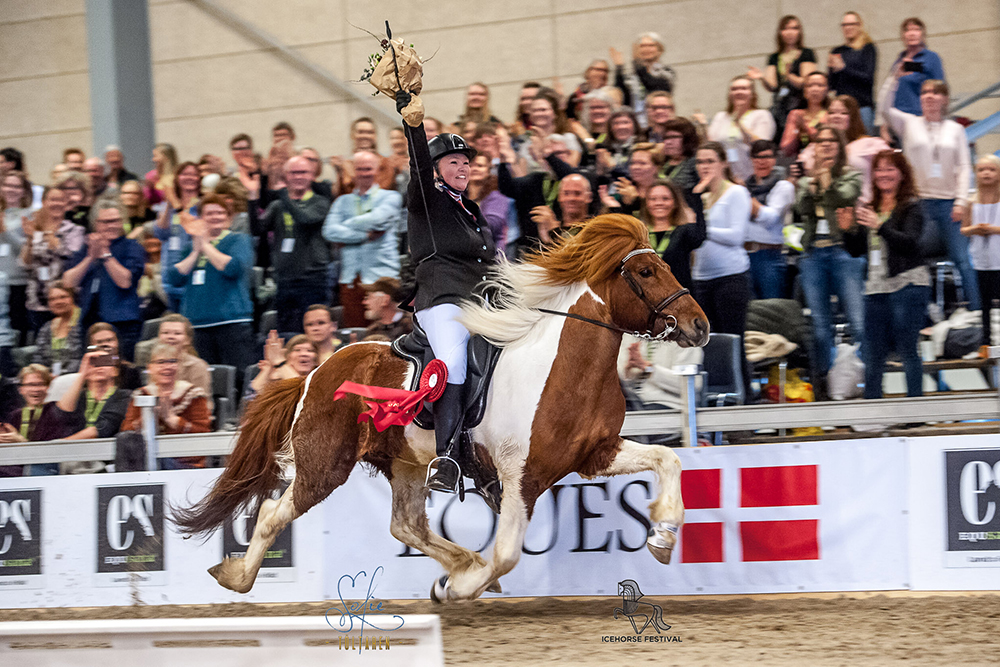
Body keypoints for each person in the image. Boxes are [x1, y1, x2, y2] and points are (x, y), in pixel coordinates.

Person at [396, 88, 497, 494]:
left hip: (480, 301)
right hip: (441, 300)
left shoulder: (471, 211)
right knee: (452, 361)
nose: (463, 167)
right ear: (437, 169)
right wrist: (412, 121)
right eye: (453, 161)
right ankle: (446, 457)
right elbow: (417, 165)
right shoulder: (428, 200)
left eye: (466, 161)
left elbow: (491, 261)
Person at [879, 76, 976, 309]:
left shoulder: (956, 129)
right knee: (912, 258)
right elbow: (883, 108)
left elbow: (964, 166)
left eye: (935, 92)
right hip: (917, 204)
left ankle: (978, 312)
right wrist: (894, 79)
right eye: (924, 92)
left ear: (944, 98)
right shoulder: (909, 123)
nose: (929, 96)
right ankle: (923, 311)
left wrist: (961, 201)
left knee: (963, 260)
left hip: (949, 204)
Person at [842, 151, 929, 399]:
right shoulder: (870, 207)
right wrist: (849, 230)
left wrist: (880, 226)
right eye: (879, 169)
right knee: (872, 351)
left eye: (890, 169)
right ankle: (873, 410)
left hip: (908, 284)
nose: (884, 174)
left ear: (902, 174)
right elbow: (857, 250)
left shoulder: (912, 206)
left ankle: (915, 410)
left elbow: (910, 243)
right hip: (876, 288)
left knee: (907, 349)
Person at [793, 125, 863, 394]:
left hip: (842, 251)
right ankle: (826, 385)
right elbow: (802, 207)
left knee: (858, 321)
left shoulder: (851, 176)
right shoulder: (804, 181)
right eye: (821, 142)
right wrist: (814, 181)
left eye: (831, 141)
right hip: (813, 254)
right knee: (821, 326)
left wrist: (824, 181)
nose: (826, 146)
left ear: (840, 146)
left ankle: (864, 378)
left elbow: (842, 197)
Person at [167, 193, 256, 375]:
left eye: (220, 213)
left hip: (232, 320)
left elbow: (232, 269)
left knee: (238, 376)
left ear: (229, 217)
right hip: (198, 324)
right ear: (201, 218)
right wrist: (195, 252)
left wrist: (206, 246)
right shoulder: (191, 247)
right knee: (205, 377)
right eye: (209, 213)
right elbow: (174, 278)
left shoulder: (238, 240)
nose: (215, 217)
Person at [691, 142, 753, 394]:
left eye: (709, 161)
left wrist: (703, 229)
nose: (704, 167)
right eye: (700, 162)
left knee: (733, 341)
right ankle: (718, 396)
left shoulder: (736, 193)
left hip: (730, 278)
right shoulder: (699, 197)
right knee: (708, 345)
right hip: (701, 278)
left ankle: (745, 398)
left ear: (723, 163)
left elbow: (736, 236)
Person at [251, 156, 333, 333]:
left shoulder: (320, 202)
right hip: (285, 280)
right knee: (288, 335)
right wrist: (252, 197)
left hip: (313, 280)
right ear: (285, 176)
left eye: (303, 172)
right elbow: (257, 229)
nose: (298, 176)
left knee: (314, 333)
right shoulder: (277, 206)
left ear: (312, 175)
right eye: (293, 172)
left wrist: (283, 195)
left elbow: (305, 219)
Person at [322, 151, 401, 328]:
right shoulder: (342, 202)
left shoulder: (390, 197)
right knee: (356, 336)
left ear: (378, 171)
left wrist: (347, 224)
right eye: (359, 169)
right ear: (353, 171)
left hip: (382, 279)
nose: (364, 173)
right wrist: (364, 236)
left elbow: (378, 219)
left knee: (386, 332)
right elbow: (329, 231)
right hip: (351, 281)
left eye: (368, 169)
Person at [62, 199, 146, 360]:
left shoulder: (132, 246)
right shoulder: (87, 247)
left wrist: (106, 254)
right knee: (95, 366)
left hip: (122, 323)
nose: (111, 225)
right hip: (90, 324)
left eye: (115, 220)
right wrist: (90, 257)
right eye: (105, 222)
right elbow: (68, 282)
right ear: (96, 224)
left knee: (118, 368)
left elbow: (125, 281)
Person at [120, 342, 211, 469]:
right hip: (145, 462)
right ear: (149, 367)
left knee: (161, 462)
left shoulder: (194, 394)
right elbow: (126, 433)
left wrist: (173, 420)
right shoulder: (140, 395)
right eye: (161, 362)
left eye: (172, 361)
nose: (167, 367)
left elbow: (204, 433)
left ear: (179, 366)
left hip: (187, 462)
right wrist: (149, 417)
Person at [43, 347, 131, 474]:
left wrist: (59, 445)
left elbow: (101, 429)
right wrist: (82, 374)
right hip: (72, 457)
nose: (99, 367)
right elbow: (61, 415)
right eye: (94, 363)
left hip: (105, 460)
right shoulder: (78, 396)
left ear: (115, 371)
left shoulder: (124, 396)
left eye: (105, 362)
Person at [800, 95, 889, 204]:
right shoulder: (815, 147)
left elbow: (894, 165)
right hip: (825, 207)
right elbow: (804, 174)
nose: (836, 116)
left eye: (843, 113)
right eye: (832, 113)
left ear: (854, 117)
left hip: (863, 208)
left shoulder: (872, 144)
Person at [20, 187, 82, 335]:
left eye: (61, 200)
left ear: (66, 204)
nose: (57, 203)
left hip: (65, 302)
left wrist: (46, 232)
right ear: (44, 202)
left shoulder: (74, 230)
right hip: (37, 302)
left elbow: (70, 256)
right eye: (52, 199)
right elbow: (25, 263)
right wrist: (30, 238)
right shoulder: (36, 230)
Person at [748, 15, 817, 136]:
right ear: (780, 33)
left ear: (799, 32)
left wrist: (789, 75)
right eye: (786, 29)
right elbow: (772, 86)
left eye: (794, 28)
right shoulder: (774, 57)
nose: (790, 32)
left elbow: (806, 82)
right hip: (780, 107)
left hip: (801, 105)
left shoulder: (806, 53)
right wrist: (762, 77)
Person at [745, 141, 795, 299]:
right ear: (751, 159)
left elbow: (770, 218)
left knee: (771, 312)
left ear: (774, 159)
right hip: (743, 255)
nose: (762, 161)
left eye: (767, 157)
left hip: (769, 255)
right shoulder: (746, 185)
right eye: (757, 157)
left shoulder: (783, 186)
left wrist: (745, 198)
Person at [704, 76, 776, 182]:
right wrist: (703, 125)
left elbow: (760, 146)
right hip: (726, 178)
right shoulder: (721, 116)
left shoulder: (761, 115)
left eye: (743, 88)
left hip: (753, 177)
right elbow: (712, 145)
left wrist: (739, 123)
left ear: (752, 94)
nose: (738, 92)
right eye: (734, 89)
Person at [962, 156, 1000, 348]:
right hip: (981, 259)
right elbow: (964, 228)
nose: (986, 173)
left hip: (998, 257)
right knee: (985, 302)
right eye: (982, 169)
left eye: (991, 169)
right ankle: (986, 340)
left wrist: (993, 229)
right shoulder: (971, 202)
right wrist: (975, 229)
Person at [640, 179, 706, 290]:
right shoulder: (640, 234)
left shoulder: (684, 231)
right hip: (648, 299)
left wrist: (697, 198)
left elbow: (699, 237)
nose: (659, 203)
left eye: (665, 199)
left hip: (679, 299)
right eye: (653, 199)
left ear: (675, 203)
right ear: (647, 203)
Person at [153, 160, 201, 312]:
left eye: (194, 174)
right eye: (185, 174)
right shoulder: (168, 207)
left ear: (199, 179)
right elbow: (161, 233)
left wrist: (178, 206)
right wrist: (169, 202)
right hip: (170, 279)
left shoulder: (202, 206)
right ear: (177, 178)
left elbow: (194, 230)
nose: (190, 177)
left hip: (193, 277)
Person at [135, 314, 212, 402]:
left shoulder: (198, 366)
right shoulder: (154, 363)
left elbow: (203, 404)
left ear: (187, 340)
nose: (170, 337)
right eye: (165, 333)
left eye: (177, 333)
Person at [0, 365, 56, 476]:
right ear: (21, 389)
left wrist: (21, 442)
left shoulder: (55, 412)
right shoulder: (14, 415)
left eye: (41, 384)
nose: (35, 389)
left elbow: (50, 453)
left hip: (42, 470)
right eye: (30, 385)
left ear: (49, 387)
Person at [828, 11, 878, 134]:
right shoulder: (837, 51)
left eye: (852, 24)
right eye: (844, 25)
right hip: (841, 109)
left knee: (865, 143)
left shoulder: (868, 48)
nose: (848, 28)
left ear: (859, 25)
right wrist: (832, 69)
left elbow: (868, 78)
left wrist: (843, 68)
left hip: (862, 107)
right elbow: (832, 85)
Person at [888, 17, 945, 117]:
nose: (912, 33)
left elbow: (940, 87)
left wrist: (912, 66)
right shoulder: (900, 58)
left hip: (919, 115)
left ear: (923, 34)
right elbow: (891, 88)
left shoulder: (931, 57)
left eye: (916, 29)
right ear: (902, 35)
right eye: (907, 30)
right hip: (897, 116)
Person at [610, 33, 676, 117]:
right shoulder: (633, 75)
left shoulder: (666, 71)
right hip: (635, 123)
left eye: (651, 45)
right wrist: (619, 69)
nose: (646, 49)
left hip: (657, 119)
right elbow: (621, 98)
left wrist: (637, 63)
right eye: (642, 46)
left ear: (660, 50)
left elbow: (654, 88)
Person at [518, 89, 582, 171]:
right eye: (535, 111)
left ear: (554, 114)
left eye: (543, 110)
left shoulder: (568, 138)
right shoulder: (526, 144)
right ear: (530, 116)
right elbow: (522, 174)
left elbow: (572, 166)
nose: (539, 114)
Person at [0, 170, 30, 341]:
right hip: (0, 283)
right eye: (7, 185)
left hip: (19, 284)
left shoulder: (30, 215)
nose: (11, 189)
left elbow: (25, 251)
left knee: (19, 333)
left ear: (24, 191)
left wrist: (4, 231)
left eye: (16, 186)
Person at [32, 283, 83, 376]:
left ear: (73, 298)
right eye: (52, 299)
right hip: (49, 379)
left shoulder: (84, 323)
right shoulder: (47, 327)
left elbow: (82, 359)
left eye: (63, 297)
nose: (57, 302)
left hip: (75, 378)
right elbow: (38, 358)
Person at [467, 154, 512, 251]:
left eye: (480, 166)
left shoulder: (497, 198)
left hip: (491, 259)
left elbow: (491, 226)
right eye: (470, 166)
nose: (474, 169)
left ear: (488, 171)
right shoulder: (457, 196)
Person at [779, 71, 830, 157]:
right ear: (804, 91)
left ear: (827, 89)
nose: (815, 89)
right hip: (802, 160)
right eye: (810, 86)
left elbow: (825, 143)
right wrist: (797, 131)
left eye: (820, 85)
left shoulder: (831, 114)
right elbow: (785, 148)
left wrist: (805, 127)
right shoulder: (796, 114)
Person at [533, 173, 594, 244]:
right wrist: (545, 239)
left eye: (577, 193)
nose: (571, 198)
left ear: (589, 197)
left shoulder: (594, 229)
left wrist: (553, 231)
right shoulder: (550, 226)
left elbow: (571, 252)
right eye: (566, 193)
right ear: (559, 197)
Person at [658, 118, 701, 193]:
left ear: (687, 139)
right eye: (666, 138)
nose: (668, 142)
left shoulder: (696, 162)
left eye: (674, 137)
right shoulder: (662, 162)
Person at [145, 142, 178, 208]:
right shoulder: (151, 176)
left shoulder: (177, 176)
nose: (153, 160)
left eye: (155, 156)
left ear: (166, 157)